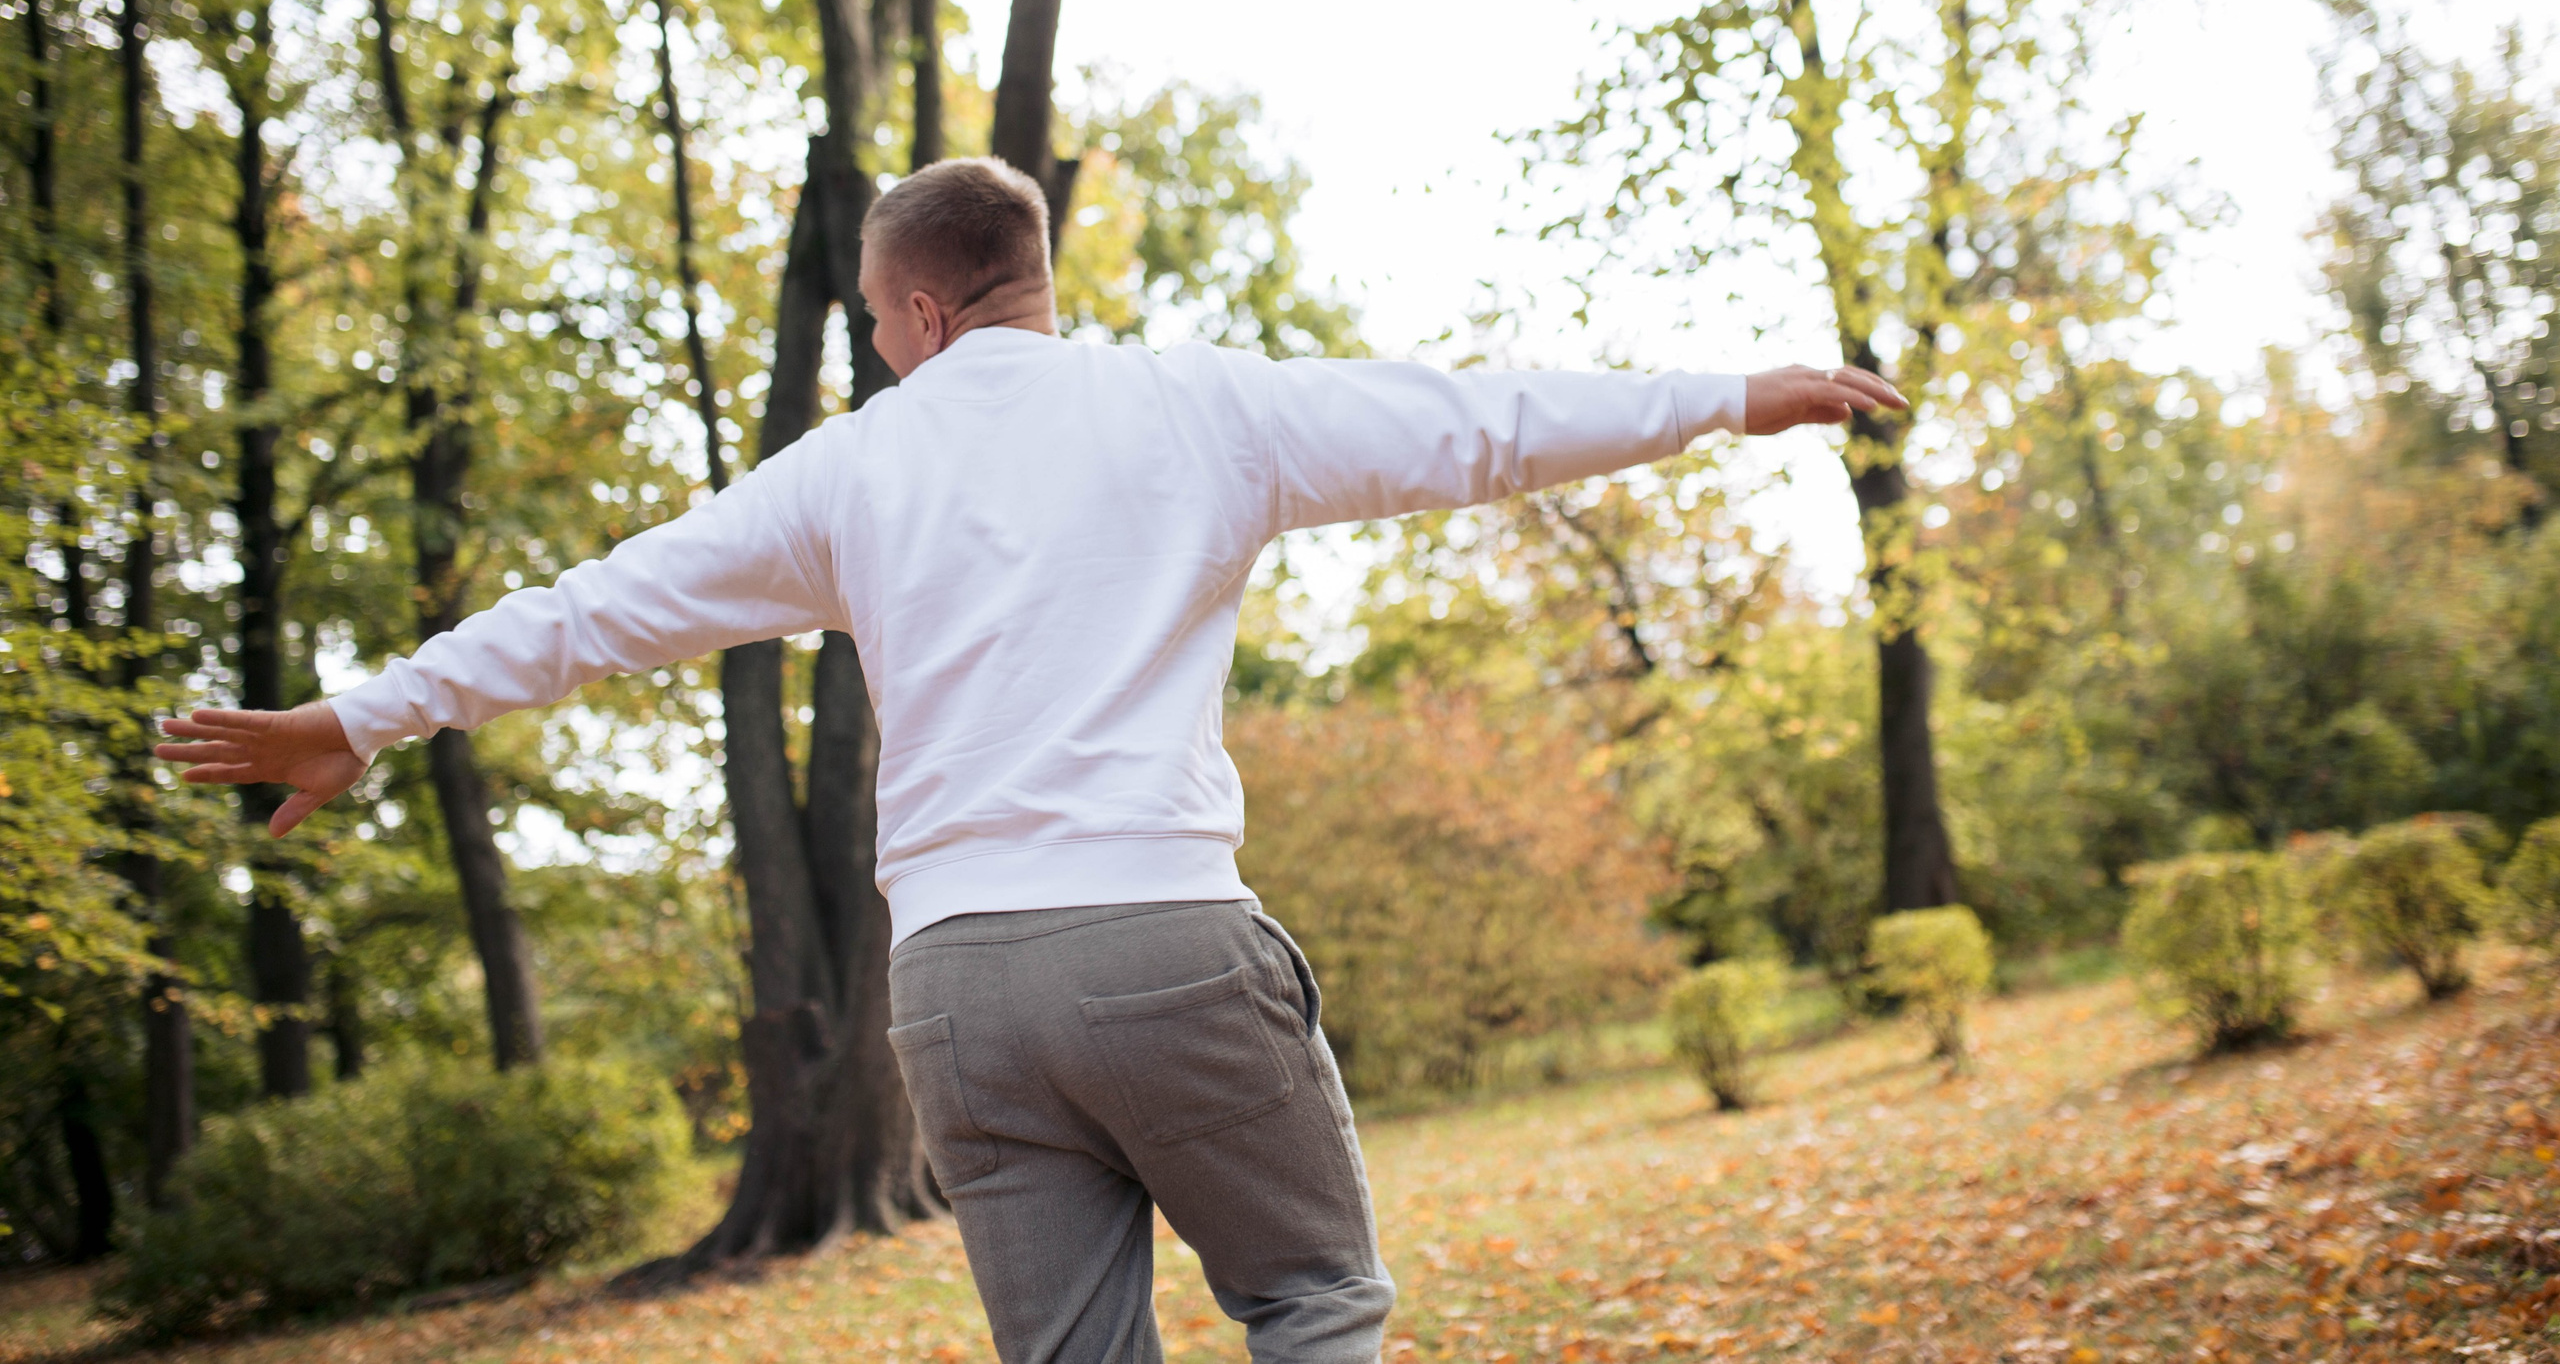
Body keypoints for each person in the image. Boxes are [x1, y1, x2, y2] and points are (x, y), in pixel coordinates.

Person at [160, 157, 1905, 1364]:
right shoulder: (1203, 405)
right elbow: (1472, 420)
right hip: (1164, 944)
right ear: (1031, 280)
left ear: (918, 312)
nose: (878, 348)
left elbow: (601, 609)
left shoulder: (851, 467)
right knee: (1313, 1304)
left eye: (873, 321)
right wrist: (1728, 395)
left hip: (961, 995)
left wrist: (362, 716)